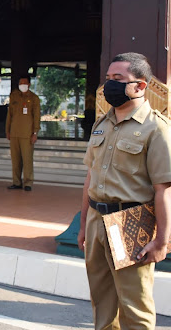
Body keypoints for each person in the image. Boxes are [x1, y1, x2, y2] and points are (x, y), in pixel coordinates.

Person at [78, 53, 171, 329]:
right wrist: (83, 225)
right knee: (102, 303)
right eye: (108, 79)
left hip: (130, 222)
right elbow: (90, 177)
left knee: (134, 307)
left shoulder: (156, 129)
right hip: (97, 220)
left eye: (118, 79)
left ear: (140, 86)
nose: (109, 86)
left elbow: (163, 190)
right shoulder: (102, 124)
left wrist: (162, 241)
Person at [5, 75, 40, 191]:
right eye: (20, 83)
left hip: (27, 134)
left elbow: (37, 116)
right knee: (15, 160)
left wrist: (35, 132)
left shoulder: (34, 98)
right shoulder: (14, 96)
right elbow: (9, 115)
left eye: (24, 83)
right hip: (14, 132)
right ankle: (16, 182)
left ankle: (28, 182)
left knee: (27, 159)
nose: (22, 85)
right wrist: (8, 130)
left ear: (29, 85)